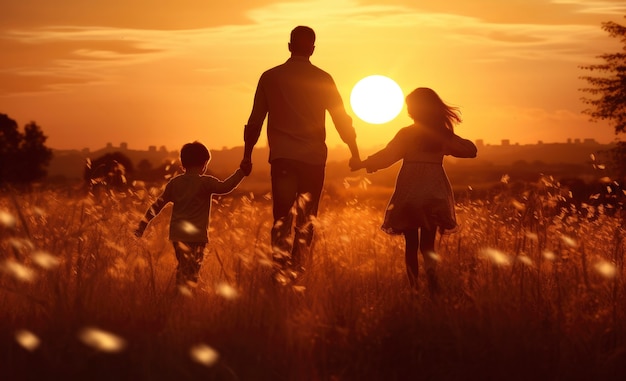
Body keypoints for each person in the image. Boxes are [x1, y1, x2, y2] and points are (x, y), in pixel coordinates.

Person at [240, 25, 361, 281]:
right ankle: (298, 271)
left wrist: (247, 155)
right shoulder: (323, 78)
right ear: (313, 49)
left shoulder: (270, 77)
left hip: (283, 157)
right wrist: (354, 152)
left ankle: (279, 271)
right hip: (313, 159)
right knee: (307, 220)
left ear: (289, 46)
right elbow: (342, 119)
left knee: (281, 218)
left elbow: (255, 121)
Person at [351, 87, 477, 296]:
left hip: (410, 192)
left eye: (410, 107)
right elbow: (470, 150)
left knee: (411, 245)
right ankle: (433, 287)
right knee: (428, 246)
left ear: (416, 109)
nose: (408, 111)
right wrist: (448, 138)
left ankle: (414, 288)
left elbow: (387, 156)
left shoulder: (407, 134)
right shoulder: (441, 135)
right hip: (434, 194)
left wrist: (364, 163)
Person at [135, 141, 249, 289]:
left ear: (183, 163)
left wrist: (142, 225)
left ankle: (181, 295)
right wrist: (241, 173)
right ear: (204, 164)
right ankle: (182, 297)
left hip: (178, 236)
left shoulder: (175, 183)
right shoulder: (205, 182)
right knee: (192, 271)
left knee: (184, 267)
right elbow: (225, 187)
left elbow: (157, 206)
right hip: (197, 237)